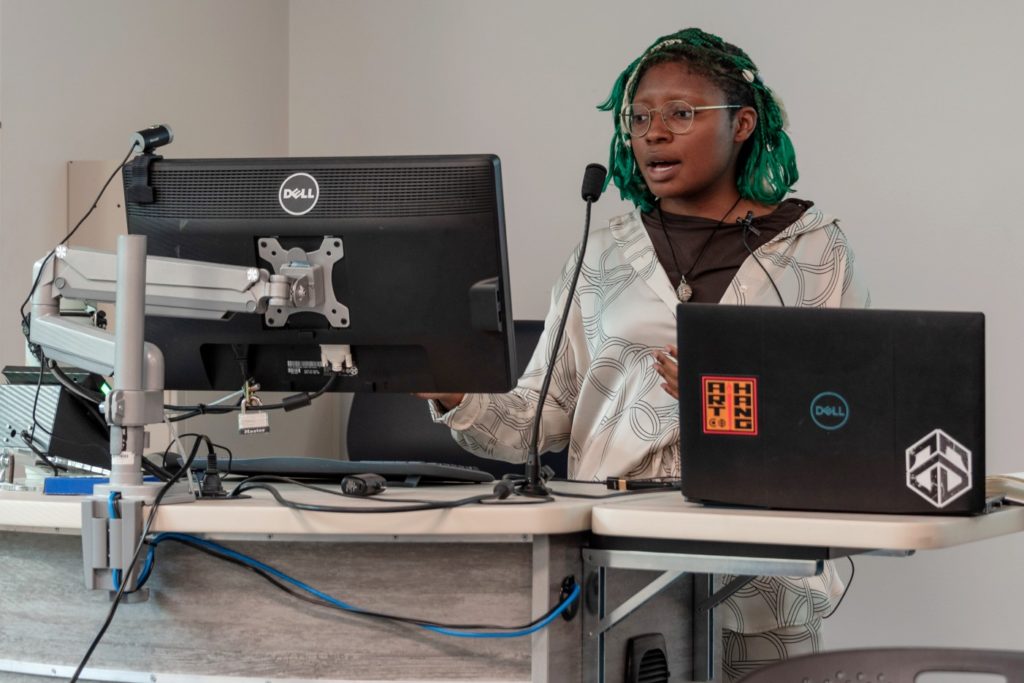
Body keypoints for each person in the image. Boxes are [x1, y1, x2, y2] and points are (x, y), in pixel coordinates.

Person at [420, 28, 869, 681]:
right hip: (615, 565)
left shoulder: (813, 251)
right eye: (638, 117)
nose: (652, 132)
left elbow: (847, 416)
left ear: (743, 123)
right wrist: (453, 386)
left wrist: (731, 396)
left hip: (760, 576)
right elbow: (539, 418)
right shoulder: (601, 254)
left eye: (681, 113)